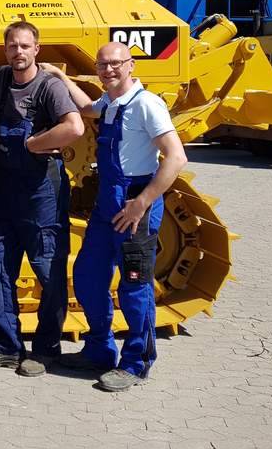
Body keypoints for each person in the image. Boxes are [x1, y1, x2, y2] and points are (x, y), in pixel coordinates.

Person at [42, 41, 188, 392]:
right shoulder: (110, 102)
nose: (108, 70)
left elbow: (176, 157)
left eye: (115, 64)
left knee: (134, 287)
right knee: (89, 276)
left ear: (131, 65)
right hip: (108, 205)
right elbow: (88, 108)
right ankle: (99, 350)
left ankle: (136, 362)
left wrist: (143, 202)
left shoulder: (147, 105)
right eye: (102, 65)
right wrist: (60, 77)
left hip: (135, 204)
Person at [0, 21, 84, 377]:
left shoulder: (48, 87)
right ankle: (7, 346)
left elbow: (75, 127)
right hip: (7, 189)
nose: (18, 52)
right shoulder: (0, 78)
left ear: (36, 49)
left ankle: (46, 348)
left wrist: (34, 143)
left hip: (41, 192)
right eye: (12, 46)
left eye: (24, 46)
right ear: (6, 50)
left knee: (47, 268)